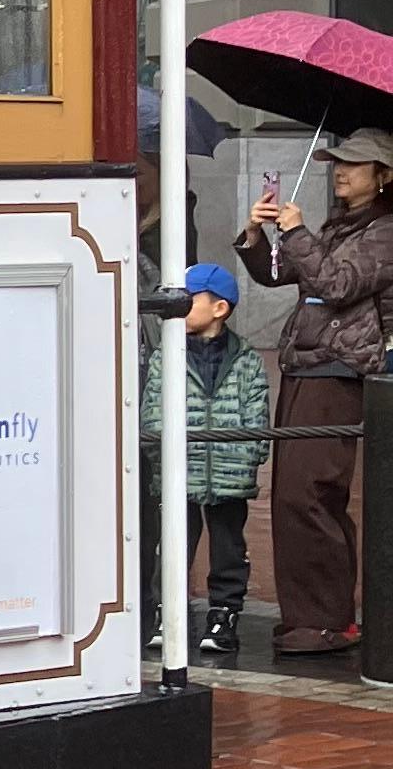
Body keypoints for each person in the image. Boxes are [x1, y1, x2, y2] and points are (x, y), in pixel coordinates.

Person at [239, 124, 393, 658]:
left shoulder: (385, 231)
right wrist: (258, 237)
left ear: (384, 176)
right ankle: (307, 617)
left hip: (340, 372)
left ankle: (326, 620)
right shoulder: (340, 226)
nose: (340, 171)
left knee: (311, 496)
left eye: (354, 164)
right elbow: (279, 275)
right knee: (289, 497)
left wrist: (299, 233)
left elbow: (337, 285)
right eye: (338, 162)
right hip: (306, 367)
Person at [140, 262, 271, 658]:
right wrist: (163, 456)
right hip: (181, 472)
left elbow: (257, 415)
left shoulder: (246, 359)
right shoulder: (167, 353)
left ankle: (224, 614)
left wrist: (245, 460)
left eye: (188, 299)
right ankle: (167, 611)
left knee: (229, 549)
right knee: (174, 545)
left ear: (219, 308)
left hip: (229, 476)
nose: (177, 307)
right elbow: (153, 409)